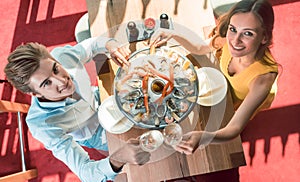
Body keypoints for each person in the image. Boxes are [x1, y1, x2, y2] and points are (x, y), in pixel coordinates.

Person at [4, 37, 150, 181]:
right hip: (98, 134)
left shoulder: (62, 56)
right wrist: (119, 158)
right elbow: (84, 172)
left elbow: (92, 45)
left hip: (105, 99)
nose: (62, 81)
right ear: (35, 94)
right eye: (47, 83)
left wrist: (110, 45)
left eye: (56, 69)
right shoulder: (43, 125)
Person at [150, 0, 279, 154]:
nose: (235, 41)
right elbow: (200, 48)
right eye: (233, 29)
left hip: (240, 100)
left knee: (238, 117)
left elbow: (234, 128)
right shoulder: (228, 38)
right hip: (220, 85)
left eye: (248, 33)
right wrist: (173, 34)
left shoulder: (263, 79)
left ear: (264, 37)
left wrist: (205, 136)